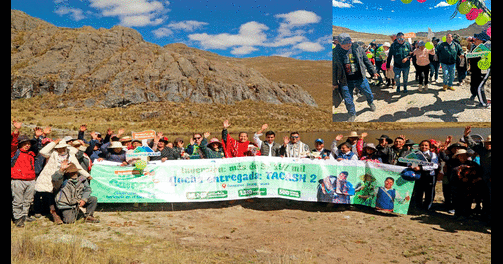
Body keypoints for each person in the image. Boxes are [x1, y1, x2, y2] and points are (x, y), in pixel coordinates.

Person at [35, 139, 91, 224]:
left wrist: (87, 175)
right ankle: (54, 214)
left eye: (62, 148)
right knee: (50, 195)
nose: (61, 150)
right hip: (51, 177)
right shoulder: (53, 154)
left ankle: (63, 212)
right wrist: (55, 142)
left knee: (61, 194)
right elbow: (43, 151)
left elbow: (78, 167)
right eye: (59, 148)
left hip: (64, 178)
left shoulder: (70, 155)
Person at [332, 33, 378, 122]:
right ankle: (352, 113)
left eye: (348, 45)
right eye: (343, 45)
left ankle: (370, 102)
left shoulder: (358, 48)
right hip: (345, 80)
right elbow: (334, 69)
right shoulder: (335, 52)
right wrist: (334, 82)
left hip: (360, 78)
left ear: (350, 42)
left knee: (368, 93)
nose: (346, 47)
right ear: (339, 43)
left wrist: (373, 72)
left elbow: (366, 61)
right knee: (348, 100)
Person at [463, 125, 491, 222]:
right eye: (487, 143)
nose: (488, 145)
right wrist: (467, 136)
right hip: (484, 179)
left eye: (490, 143)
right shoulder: (483, 151)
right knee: (486, 198)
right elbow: (472, 144)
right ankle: (486, 216)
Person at [11, 134, 37, 227]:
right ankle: (18, 218)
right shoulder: (14, 153)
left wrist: (38, 136)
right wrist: (15, 133)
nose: (27, 145)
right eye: (25, 143)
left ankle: (24, 215)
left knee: (28, 200)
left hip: (30, 180)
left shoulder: (31, 154)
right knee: (18, 200)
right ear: (20, 144)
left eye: (29, 143)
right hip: (18, 180)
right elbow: (12, 145)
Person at [409, 140, 440, 211]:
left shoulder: (433, 155)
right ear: (420, 146)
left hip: (429, 176)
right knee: (418, 192)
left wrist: (421, 168)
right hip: (418, 176)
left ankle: (427, 208)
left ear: (429, 147)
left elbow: (435, 166)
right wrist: (413, 166)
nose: (424, 147)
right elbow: (411, 163)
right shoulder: (416, 154)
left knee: (429, 193)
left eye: (426, 145)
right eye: (422, 145)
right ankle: (418, 207)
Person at [468, 31, 491, 108]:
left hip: (483, 71)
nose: (475, 39)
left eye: (477, 38)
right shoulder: (475, 47)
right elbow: (471, 57)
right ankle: (478, 97)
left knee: (479, 87)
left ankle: (484, 104)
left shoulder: (486, 49)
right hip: (475, 70)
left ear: (482, 40)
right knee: (475, 85)